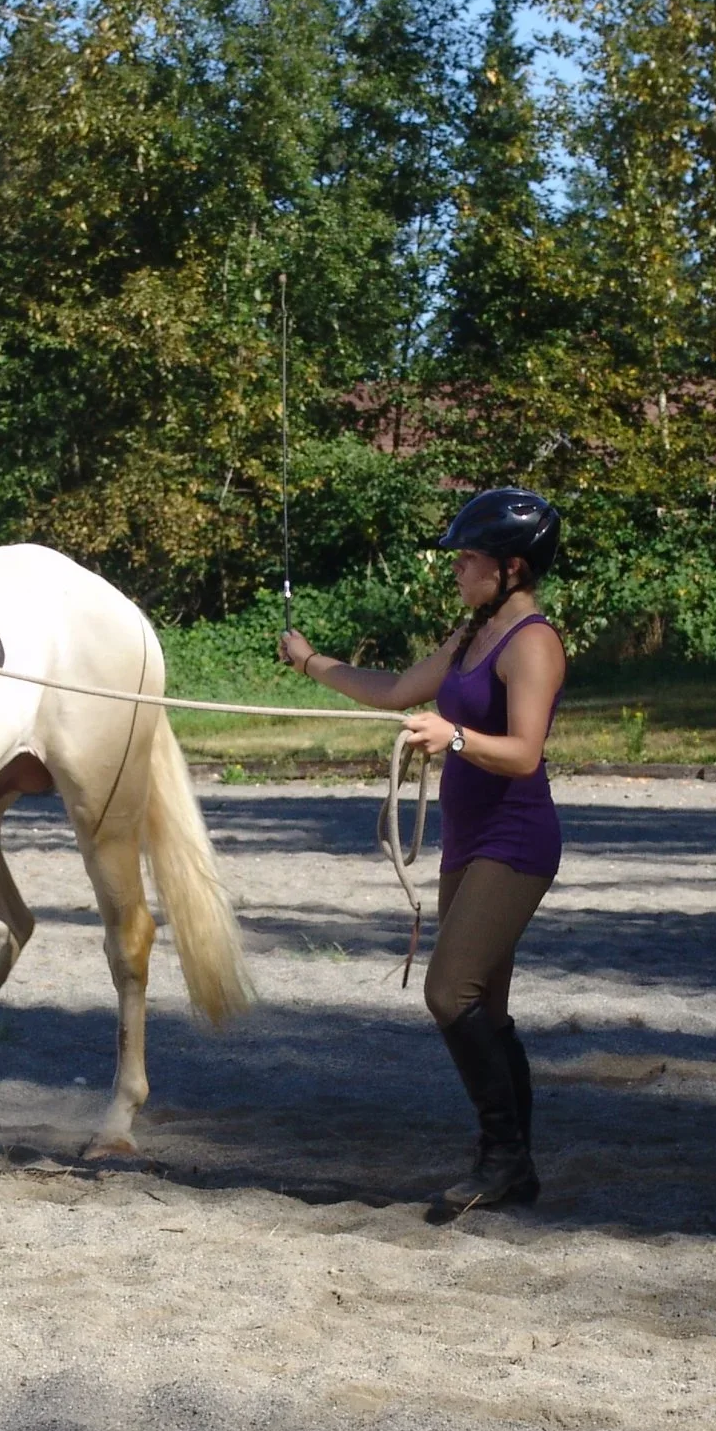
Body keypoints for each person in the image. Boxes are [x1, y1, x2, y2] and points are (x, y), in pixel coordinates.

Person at [279, 488, 566, 1214]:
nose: (458, 569)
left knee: (448, 992)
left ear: (512, 567)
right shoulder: (472, 635)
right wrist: (313, 662)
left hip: (516, 839)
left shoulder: (532, 642)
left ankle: (501, 1157)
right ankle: (513, 1166)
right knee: (485, 1008)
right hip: (468, 839)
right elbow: (396, 688)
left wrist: (454, 737)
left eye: (469, 559)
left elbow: (526, 753)